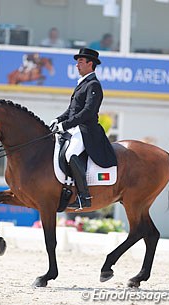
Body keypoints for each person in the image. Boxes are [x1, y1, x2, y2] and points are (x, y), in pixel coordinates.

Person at [50, 48, 117, 210]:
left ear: (90, 64)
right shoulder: (82, 84)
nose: (77, 65)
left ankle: (84, 196)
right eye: (77, 62)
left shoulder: (93, 85)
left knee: (71, 154)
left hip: (87, 130)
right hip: (75, 129)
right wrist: (58, 119)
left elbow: (87, 112)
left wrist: (65, 125)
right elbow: (71, 110)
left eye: (80, 62)